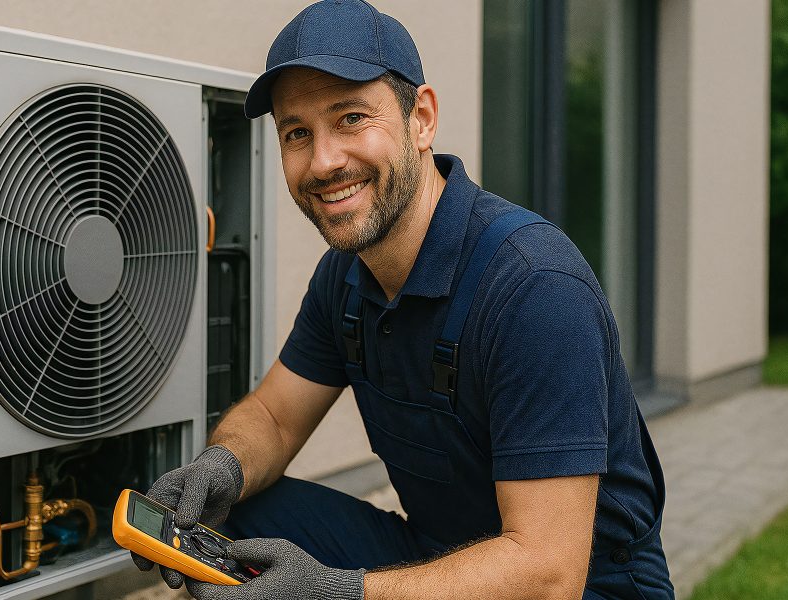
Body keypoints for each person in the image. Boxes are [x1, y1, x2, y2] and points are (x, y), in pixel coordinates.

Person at [132, 1, 674, 598]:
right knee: (236, 515)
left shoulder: (533, 287)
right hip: (439, 552)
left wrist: (344, 591)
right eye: (297, 134)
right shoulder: (344, 277)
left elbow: (548, 573)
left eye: (351, 118)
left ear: (422, 119)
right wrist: (222, 466)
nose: (324, 161)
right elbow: (273, 418)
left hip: (586, 583)